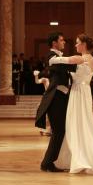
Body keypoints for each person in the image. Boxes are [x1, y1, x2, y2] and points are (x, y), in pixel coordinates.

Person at [52, 34, 93, 174]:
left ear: (84, 44)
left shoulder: (80, 58)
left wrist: (53, 58)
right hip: (85, 92)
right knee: (85, 122)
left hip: (78, 92)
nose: (75, 45)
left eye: (77, 43)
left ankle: (79, 157)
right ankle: (88, 155)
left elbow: (62, 60)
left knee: (75, 123)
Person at [35, 32, 76, 172]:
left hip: (62, 97)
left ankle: (49, 162)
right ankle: (47, 163)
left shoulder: (59, 57)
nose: (64, 42)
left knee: (60, 130)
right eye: (61, 40)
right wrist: (77, 62)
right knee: (58, 131)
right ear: (54, 43)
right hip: (55, 98)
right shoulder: (51, 56)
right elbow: (60, 66)